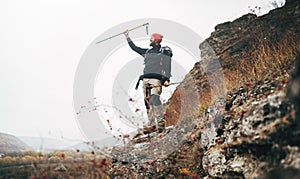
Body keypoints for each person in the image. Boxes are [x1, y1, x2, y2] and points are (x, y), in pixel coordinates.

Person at [123, 29, 173, 131]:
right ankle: (151, 125)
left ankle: (160, 124)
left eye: (151, 39)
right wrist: (127, 37)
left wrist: (167, 79)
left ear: (155, 41)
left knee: (155, 99)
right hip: (145, 80)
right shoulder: (147, 52)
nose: (149, 41)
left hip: (156, 80)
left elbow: (167, 65)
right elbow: (134, 48)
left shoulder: (163, 52)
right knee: (148, 102)